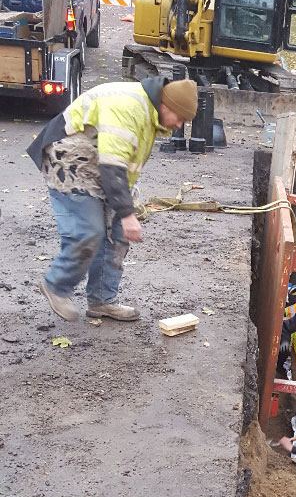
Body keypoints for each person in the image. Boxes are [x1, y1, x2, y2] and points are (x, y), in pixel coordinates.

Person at [27, 77, 199, 323]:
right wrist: (128, 215)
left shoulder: (150, 116)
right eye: (180, 118)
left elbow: (125, 164)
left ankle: (101, 300)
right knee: (90, 230)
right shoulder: (128, 108)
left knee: (117, 234)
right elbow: (112, 165)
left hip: (101, 162)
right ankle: (56, 285)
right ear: (166, 106)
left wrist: (124, 209)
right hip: (70, 158)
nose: (178, 125)